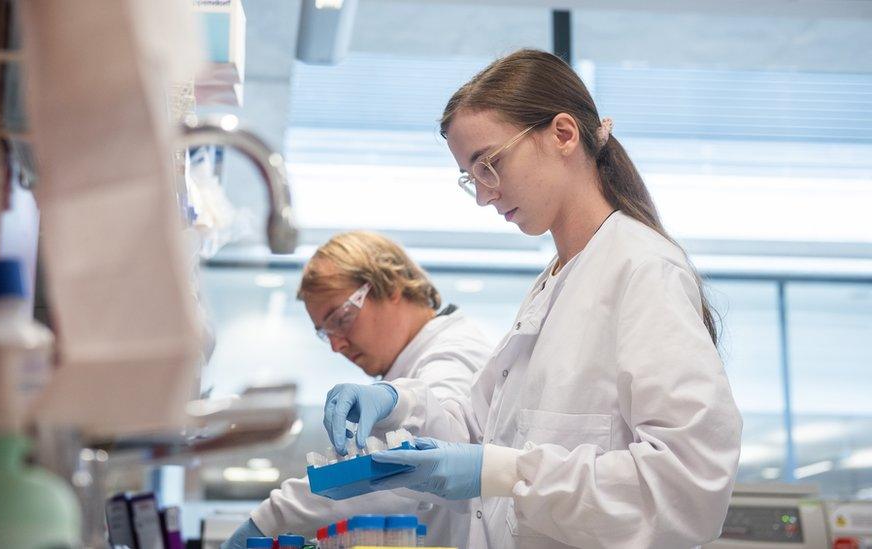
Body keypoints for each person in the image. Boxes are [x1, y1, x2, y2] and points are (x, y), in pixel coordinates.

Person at [322, 49, 743, 549]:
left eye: (491, 165)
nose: (484, 195)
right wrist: (398, 405)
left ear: (563, 134)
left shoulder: (641, 269)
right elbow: (486, 433)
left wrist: (504, 472)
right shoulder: (556, 281)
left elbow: (688, 486)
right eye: (471, 178)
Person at [222, 231, 492, 548]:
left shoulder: (453, 354)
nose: (336, 345)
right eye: (325, 333)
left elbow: (428, 456)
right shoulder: (413, 360)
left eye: (341, 318)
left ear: (390, 285)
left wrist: (269, 519)